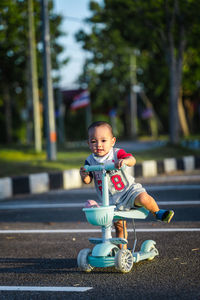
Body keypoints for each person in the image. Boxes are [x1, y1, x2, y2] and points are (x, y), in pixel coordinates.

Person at [80, 121, 174, 249]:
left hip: (128, 191)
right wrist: (84, 174)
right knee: (119, 226)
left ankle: (157, 212)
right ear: (88, 143)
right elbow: (87, 180)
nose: (99, 145)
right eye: (93, 141)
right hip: (110, 199)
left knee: (144, 198)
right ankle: (122, 252)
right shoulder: (90, 161)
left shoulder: (116, 153)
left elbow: (132, 160)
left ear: (112, 141)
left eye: (103, 140)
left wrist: (124, 161)